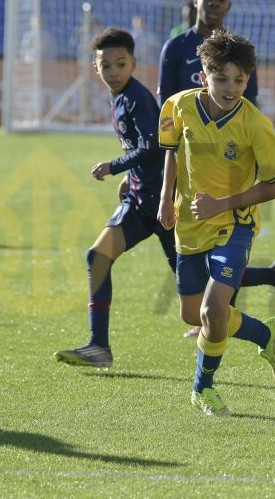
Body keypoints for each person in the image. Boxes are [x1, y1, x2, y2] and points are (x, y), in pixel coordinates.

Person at [158, 0, 275, 338]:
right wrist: (163, 191)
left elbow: (248, 109)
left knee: (220, 260)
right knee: (194, 300)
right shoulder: (176, 49)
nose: (215, 3)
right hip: (184, 170)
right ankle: (233, 299)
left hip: (227, 175)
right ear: (196, 0)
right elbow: (169, 118)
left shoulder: (238, 56)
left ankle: (217, 317)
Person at [157, 29, 275, 415]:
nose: (232, 88)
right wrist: (166, 200)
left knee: (213, 311)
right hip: (190, 223)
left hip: (236, 222)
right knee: (191, 313)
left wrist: (224, 203)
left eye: (240, 80)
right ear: (203, 76)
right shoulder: (177, 107)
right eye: (222, 79)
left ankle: (203, 388)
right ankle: (268, 334)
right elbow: (169, 153)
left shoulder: (254, 123)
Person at [53, 27, 176, 368]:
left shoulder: (137, 97)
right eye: (106, 66)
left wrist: (114, 166)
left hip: (161, 202)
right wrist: (129, 177)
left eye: (121, 64)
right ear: (96, 69)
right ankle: (99, 347)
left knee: (197, 288)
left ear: (134, 63)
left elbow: (152, 146)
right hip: (140, 199)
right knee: (98, 257)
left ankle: (271, 274)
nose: (113, 72)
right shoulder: (120, 97)